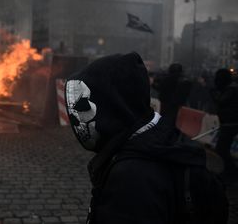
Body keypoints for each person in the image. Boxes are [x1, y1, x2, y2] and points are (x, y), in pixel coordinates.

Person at [65, 52, 228, 224]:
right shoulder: (165, 139)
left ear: (113, 104)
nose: (76, 119)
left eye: (82, 107)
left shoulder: (131, 180)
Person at [211, 69, 238, 175]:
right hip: (229, 122)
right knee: (223, 149)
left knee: (221, 150)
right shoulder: (231, 87)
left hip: (231, 123)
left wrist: (213, 93)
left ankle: (232, 171)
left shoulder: (231, 89)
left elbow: (221, 101)